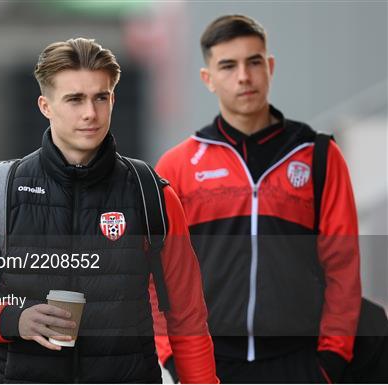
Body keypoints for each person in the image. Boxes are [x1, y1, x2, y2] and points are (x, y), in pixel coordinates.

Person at [0, 37, 218, 383]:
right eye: (74, 99)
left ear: (113, 99)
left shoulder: (152, 195)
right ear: (46, 105)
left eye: (101, 97)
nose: (90, 113)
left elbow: (188, 318)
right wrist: (14, 320)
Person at [154, 15, 361, 383]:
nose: (244, 77)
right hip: (209, 364)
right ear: (208, 79)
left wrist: (332, 359)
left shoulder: (319, 156)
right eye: (228, 66)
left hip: (301, 362)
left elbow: (343, 266)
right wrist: (172, 356)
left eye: (253, 62)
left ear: (270, 67)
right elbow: (157, 275)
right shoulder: (178, 165)